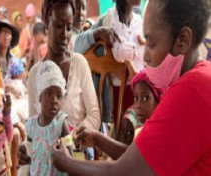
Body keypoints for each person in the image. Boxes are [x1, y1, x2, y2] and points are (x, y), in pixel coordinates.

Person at [52, 0, 211, 175]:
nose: (145, 57)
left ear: (182, 40)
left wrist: (65, 161)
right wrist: (98, 139)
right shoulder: (198, 81)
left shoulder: (191, 92)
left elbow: (125, 171)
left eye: (150, 44)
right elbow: (142, 159)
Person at [19, 0, 100, 166]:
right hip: (47, 155)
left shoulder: (79, 63)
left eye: (69, 27)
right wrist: (27, 147)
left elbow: (94, 114)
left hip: (77, 151)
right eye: (58, 25)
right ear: (47, 24)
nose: (65, 33)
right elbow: (34, 121)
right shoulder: (35, 73)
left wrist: (71, 137)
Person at [74, 0, 145, 123]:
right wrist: (97, 33)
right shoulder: (107, 21)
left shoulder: (141, 23)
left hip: (138, 97)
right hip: (113, 101)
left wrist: (147, 43)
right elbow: (77, 46)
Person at [25, 60, 70, 176]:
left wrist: (66, 151)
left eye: (59, 95)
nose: (54, 100)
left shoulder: (61, 123)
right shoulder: (31, 125)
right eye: (49, 94)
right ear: (40, 96)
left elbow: (70, 149)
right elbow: (28, 150)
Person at [119, 71, 164, 145]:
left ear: (157, 101)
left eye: (145, 98)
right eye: (136, 98)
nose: (138, 105)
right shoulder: (137, 128)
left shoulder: (161, 131)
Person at [5, 58, 27, 176]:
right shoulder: (18, 85)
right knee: (17, 133)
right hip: (15, 119)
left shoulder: (7, 82)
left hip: (14, 120)